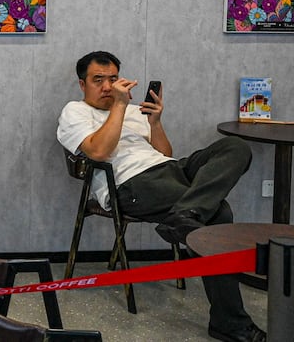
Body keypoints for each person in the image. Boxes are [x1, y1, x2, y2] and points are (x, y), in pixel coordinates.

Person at [57, 51, 264, 342]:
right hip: (130, 183)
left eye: (113, 79)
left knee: (235, 147)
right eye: (98, 80)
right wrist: (119, 106)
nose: (107, 87)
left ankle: (186, 214)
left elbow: (163, 153)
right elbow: (99, 152)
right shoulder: (75, 112)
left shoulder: (135, 111)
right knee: (219, 214)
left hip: (169, 170)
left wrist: (155, 123)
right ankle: (229, 322)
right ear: (83, 84)